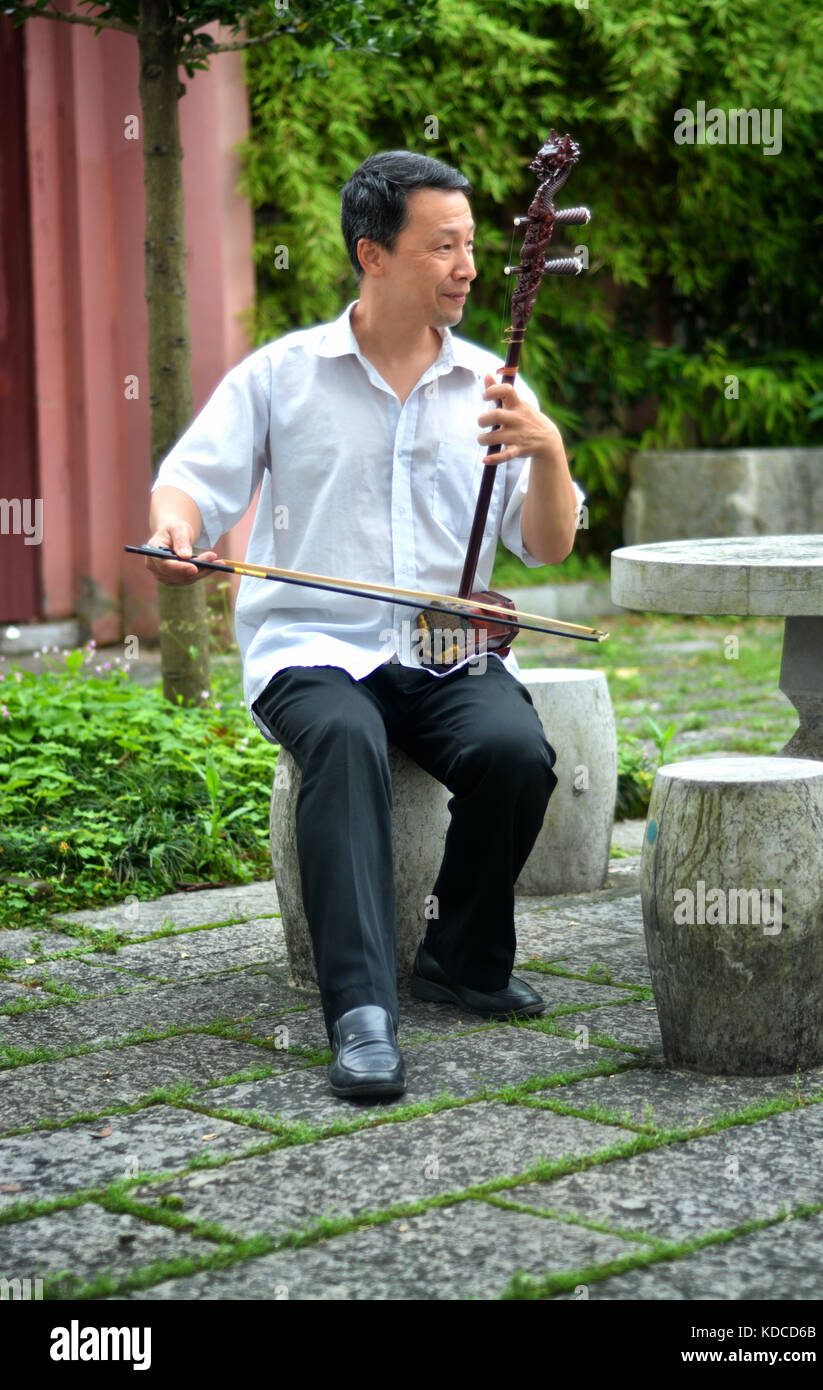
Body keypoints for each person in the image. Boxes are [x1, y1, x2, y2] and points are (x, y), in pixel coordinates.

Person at [145, 149, 585, 1101]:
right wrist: (177, 527)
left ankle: (460, 958)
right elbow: (191, 481)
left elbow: (546, 548)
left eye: (472, 245)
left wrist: (546, 452)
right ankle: (361, 1012)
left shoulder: (491, 387)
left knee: (515, 751)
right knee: (343, 740)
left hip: (439, 648)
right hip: (311, 644)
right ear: (373, 255)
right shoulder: (284, 376)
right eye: (444, 246)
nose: (470, 266)